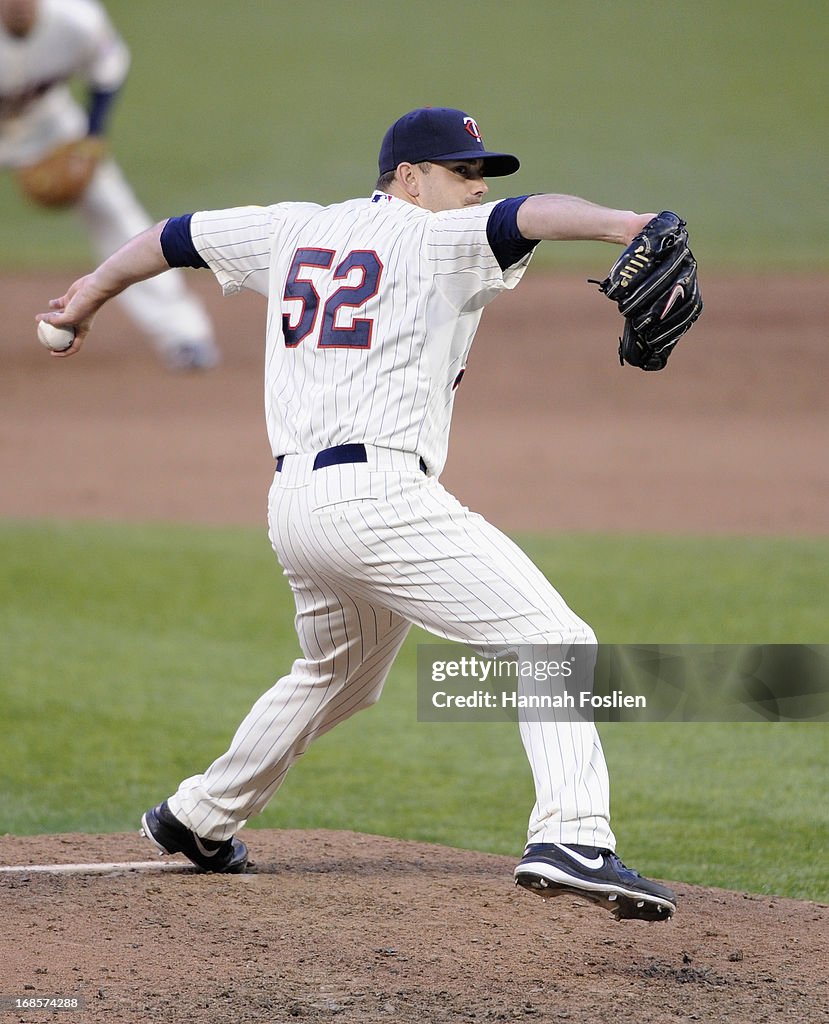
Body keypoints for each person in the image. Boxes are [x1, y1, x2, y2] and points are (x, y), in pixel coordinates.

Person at [38, 106, 678, 921]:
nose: (478, 188)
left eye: (480, 174)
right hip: (380, 501)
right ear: (407, 180)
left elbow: (170, 236)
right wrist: (630, 224)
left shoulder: (289, 229)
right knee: (553, 642)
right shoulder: (433, 234)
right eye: (462, 172)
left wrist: (84, 299)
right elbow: (536, 214)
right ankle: (573, 837)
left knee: (338, 672)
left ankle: (200, 817)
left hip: (297, 509)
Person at [1, 0, 219, 370]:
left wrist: (92, 137)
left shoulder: (76, 20)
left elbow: (108, 63)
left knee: (113, 208)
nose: (19, 4)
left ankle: (183, 334)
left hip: (47, 124)